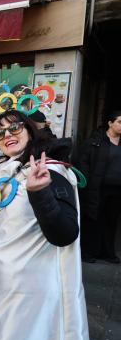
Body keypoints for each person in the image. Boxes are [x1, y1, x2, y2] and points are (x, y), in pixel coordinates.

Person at [0, 110, 96, 340]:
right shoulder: (7, 169)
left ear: (30, 130)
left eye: (14, 127)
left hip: (32, 293)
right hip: (4, 290)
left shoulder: (52, 170)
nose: (7, 135)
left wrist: (40, 192)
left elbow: (65, 233)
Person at [77, 110, 121, 263]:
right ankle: (87, 252)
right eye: (120, 122)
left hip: (116, 190)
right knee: (92, 219)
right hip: (97, 188)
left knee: (111, 221)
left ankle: (108, 253)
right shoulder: (95, 141)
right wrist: (86, 185)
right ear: (110, 123)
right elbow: (84, 164)